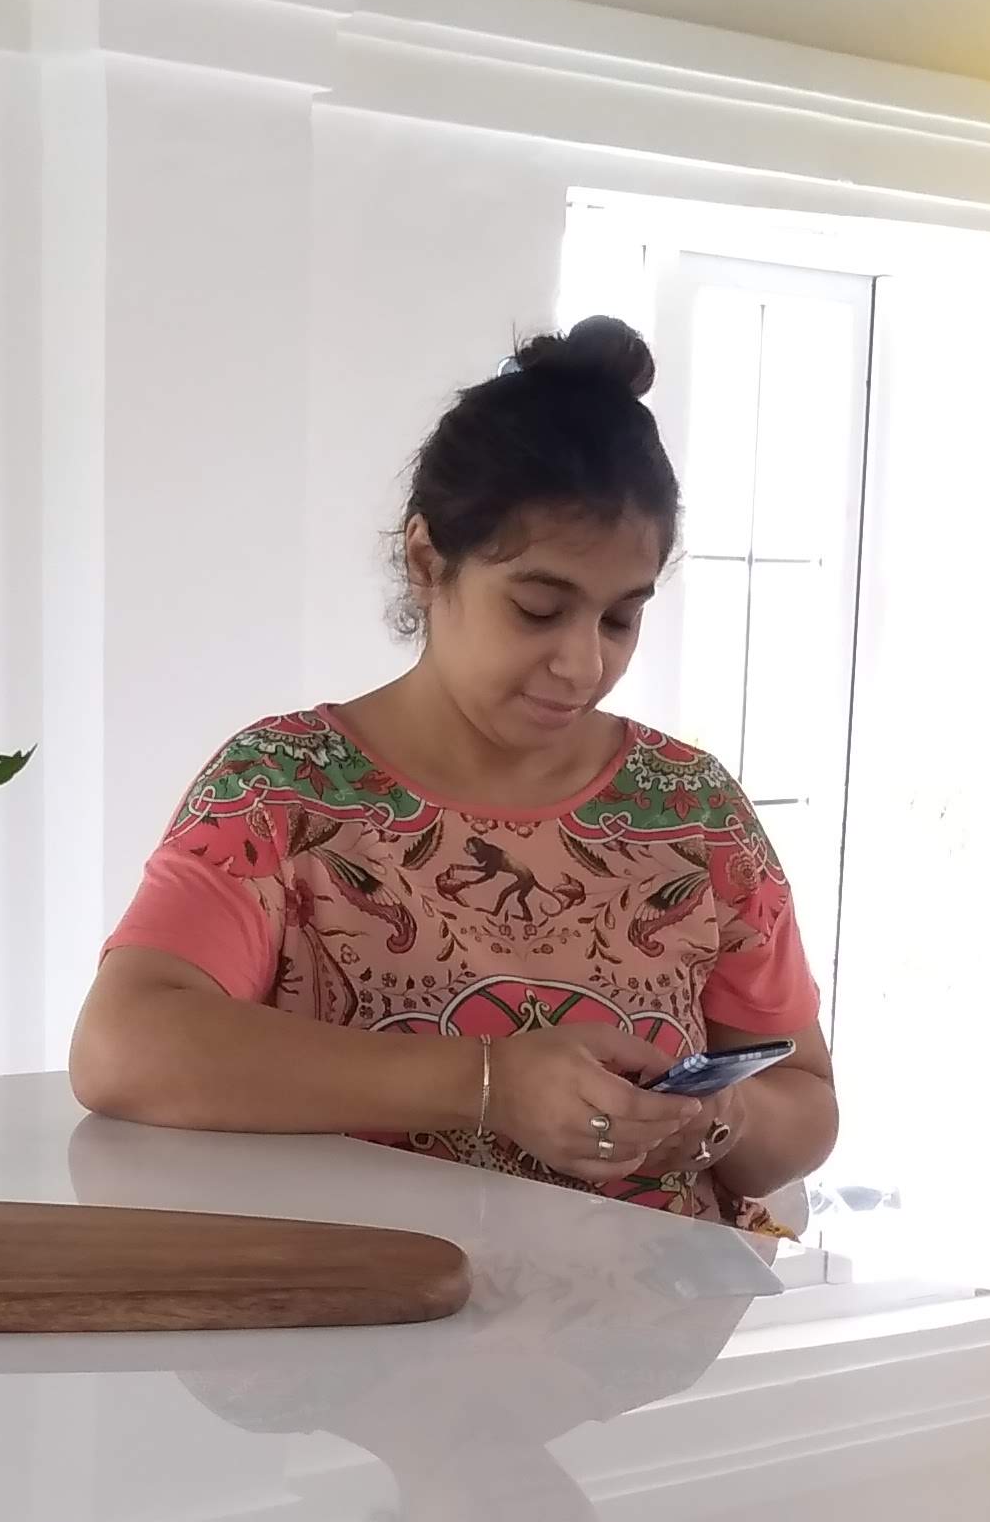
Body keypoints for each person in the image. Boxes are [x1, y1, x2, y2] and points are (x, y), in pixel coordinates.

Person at [69, 317, 841, 1224]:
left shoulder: (691, 809)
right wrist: (487, 1084)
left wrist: (717, 1117)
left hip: (659, 1306)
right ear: (427, 561)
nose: (584, 664)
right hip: (371, 1301)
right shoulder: (285, 790)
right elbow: (124, 1048)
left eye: (620, 619)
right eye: (539, 609)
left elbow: (805, 1102)